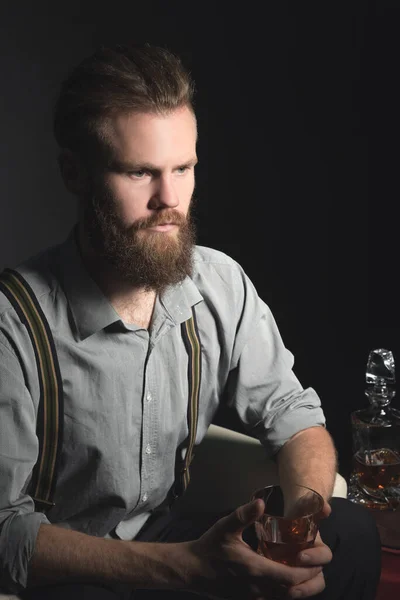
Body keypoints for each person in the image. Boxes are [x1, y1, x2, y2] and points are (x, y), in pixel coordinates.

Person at [0, 43, 380, 600]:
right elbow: (4, 531)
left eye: (184, 168)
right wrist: (183, 569)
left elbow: (294, 416)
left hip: (172, 538)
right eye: (140, 173)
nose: (170, 200)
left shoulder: (217, 283)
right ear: (74, 173)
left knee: (354, 534)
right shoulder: (14, 323)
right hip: (77, 570)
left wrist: (298, 527)